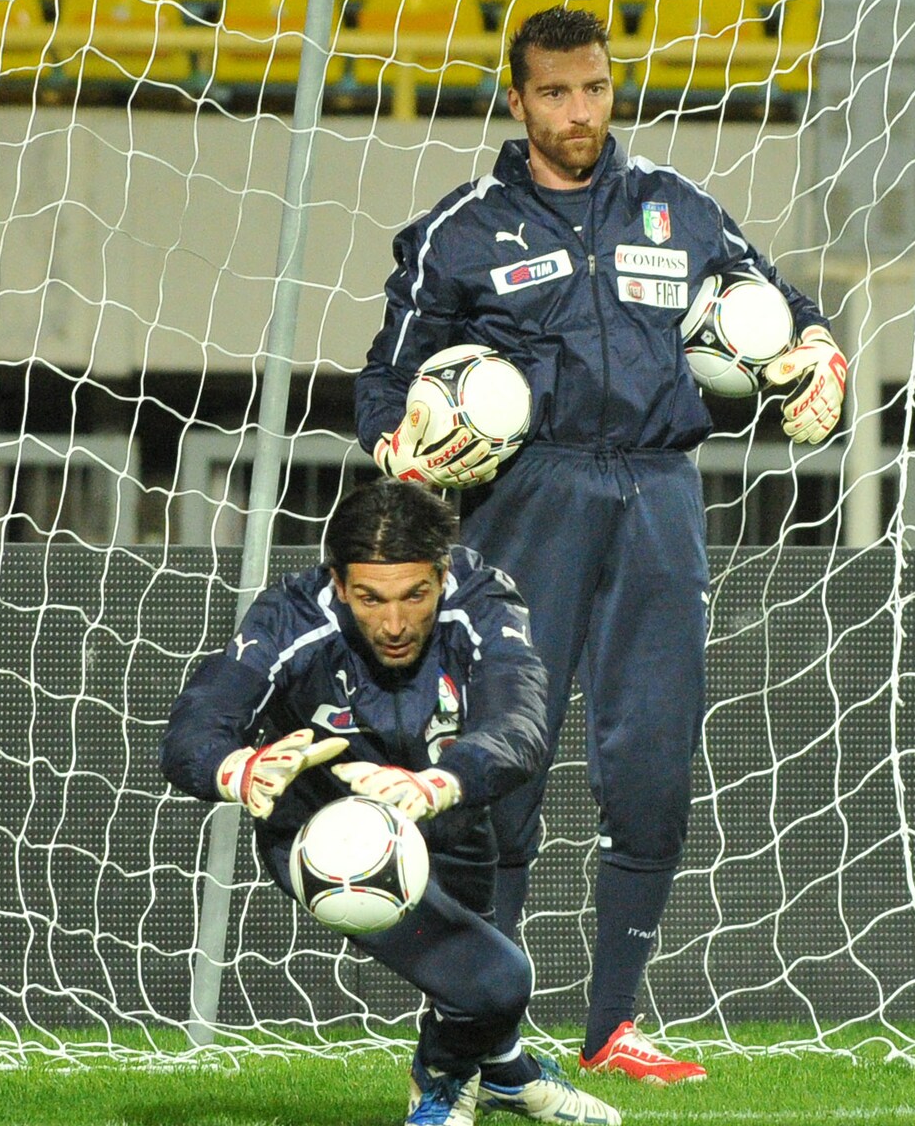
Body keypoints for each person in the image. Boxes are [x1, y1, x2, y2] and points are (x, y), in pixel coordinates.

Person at [354, 7, 848, 1085]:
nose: (579, 111)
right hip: (529, 502)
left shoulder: (677, 209)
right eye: (556, 93)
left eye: (594, 87)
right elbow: (383, 378)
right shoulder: (463, 231)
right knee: (503, 777)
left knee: (653, 774)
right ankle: (489, 1031)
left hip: (662, 495)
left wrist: (815, 354)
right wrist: (394, 443)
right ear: (517, 99)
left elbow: (785, 309)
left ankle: (612, 1024)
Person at [161, 479, 622, 1126]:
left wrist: (441, 782)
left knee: (473, 994)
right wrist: (239, 767)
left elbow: (520, 722)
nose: (396, 624)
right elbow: (195, 724)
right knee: (497, 981)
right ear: (340, 584)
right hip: (329, 835)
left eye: (415, 595)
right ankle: (440, 1092)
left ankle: (506, 1074)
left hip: (449, 808)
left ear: (441, 574)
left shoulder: (484, 600)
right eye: (372, 600)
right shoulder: (291, 617)